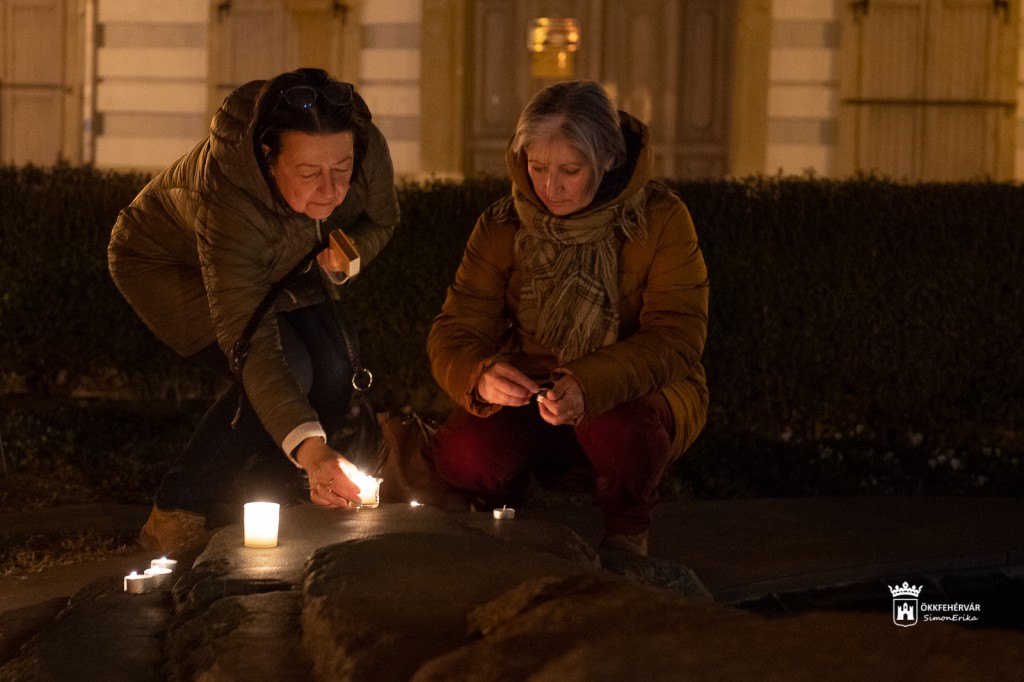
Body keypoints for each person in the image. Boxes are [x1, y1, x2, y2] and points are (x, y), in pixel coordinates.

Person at [108, 68, 400, 555]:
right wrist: (315, 451)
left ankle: (273, 490)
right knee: (289, 369)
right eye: (308, 174)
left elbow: (382, 219)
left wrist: (350, 252)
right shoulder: (226, 199)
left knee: (336, 369)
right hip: (168, 265)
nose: (331, 190)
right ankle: (177, 507)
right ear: (268, 158)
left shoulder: (365, 146)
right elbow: (253, 344)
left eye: (342, 169)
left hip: (284, 262)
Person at [427, 80, 708, 556]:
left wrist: (589, 383)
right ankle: (504, 516)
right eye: (537, 167)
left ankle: (626, 533)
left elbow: (677, 333)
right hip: (532, 384)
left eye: (570, 171)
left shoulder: (659, 219)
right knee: (465, 453)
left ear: (609, 159)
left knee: (619, 431)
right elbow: (457, 327)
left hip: (633, 392)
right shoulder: (503, 223)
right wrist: (480, 375)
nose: (549, 187)